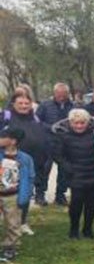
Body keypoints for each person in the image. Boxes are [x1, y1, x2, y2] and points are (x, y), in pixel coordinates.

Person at [51, 109, 94, 239]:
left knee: (91, 203)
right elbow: (57, 154)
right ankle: (73, 230)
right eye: (76, 123)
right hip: (75, 173)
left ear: (87, 122)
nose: (79, 126)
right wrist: (67, 167)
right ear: (70, 122)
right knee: (76, 202)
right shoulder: (63, 135)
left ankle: (88, 229)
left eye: (82, 123)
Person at [4, 88, 49, 225]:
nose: (24, 106)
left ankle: (22, 222)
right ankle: (11, 224)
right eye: (20, 103)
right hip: (10, 163)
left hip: (32, 163)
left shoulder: (35, 118)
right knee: (9, 195)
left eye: (27, 103)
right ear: (13, 103)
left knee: (26, 193)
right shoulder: (5, 117)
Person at [0, 126, 35, 262]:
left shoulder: (25, 159)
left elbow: (30, 177)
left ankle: (10, 247)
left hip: (12, 196)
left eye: (3, 137)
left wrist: (24, 196)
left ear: (13, 141)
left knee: (13, 223)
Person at [37, 82, 75, 205]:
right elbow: (37, 121)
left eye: (64, 94)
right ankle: (40, 194)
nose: (61, 97)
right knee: (44, 169)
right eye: (59, 94)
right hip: (47, 142)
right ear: (54, 93)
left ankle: (60, 195)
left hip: (65, 143)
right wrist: (50, 127)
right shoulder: (45, 105)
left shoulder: (73, 106)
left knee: (64, 170)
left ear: (68, 94)